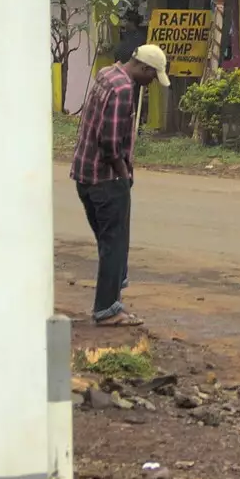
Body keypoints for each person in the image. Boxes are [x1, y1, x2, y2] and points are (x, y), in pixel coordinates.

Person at [72, 44, 170, 326]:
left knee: (108, 242)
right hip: (105, 179)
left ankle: (113, 293)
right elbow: (109, 143)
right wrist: (123, 173)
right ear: (144, 68)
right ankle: (107, 310)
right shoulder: (124, 89)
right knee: (114, 243)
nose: (151, 82)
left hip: (84, 174)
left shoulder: (107, 73)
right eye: (152, 76)